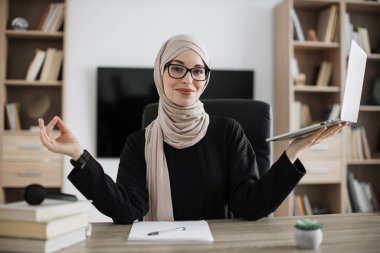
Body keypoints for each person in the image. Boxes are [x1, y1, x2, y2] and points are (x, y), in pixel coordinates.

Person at [39, 34, 345, 223]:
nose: (188, 79)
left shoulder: (229, 132)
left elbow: (249, 206)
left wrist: (293, 152)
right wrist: (79, 155)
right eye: (177, 68)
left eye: (198, 70)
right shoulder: (138, 142)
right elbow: (128, 210)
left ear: (206, 77)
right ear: (160, 73)